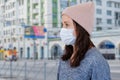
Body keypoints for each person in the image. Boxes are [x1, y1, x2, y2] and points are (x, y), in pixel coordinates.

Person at [57, 2, 111, 80]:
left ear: (80, 28)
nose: (63, 29)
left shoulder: (96, 61)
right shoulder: (65, 58)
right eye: (62, 25)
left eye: (67, 25)